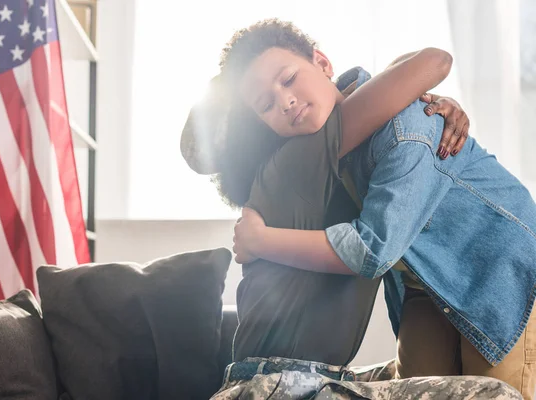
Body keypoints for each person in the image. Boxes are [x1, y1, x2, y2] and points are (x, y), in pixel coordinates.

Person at [215, 19, 536, 399]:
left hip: (495, 269)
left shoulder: (406, 127)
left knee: (497, 392)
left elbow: (372, 249)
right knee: (421, 384)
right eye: (266, 105)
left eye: (288, 79)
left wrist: (260, 240)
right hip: (425, 282)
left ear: (322, 63)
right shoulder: (317, 151)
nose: (285, 102)